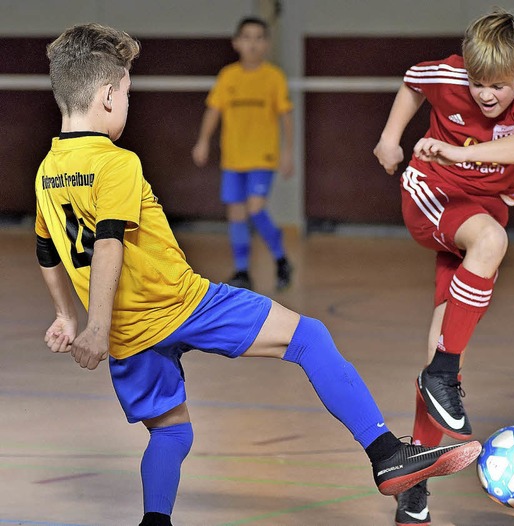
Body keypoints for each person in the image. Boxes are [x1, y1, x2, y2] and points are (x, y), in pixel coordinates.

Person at [35, 23, 481, 526]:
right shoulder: (116, 163)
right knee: (309, 338)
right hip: (180, 305)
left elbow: (47, 248)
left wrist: (66, 317)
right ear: (109, 96)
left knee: (171, 433)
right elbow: (110, 243)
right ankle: (386, 455)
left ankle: (154, 522)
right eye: (129, 93)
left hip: (126, 335)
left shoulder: (48, 169)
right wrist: (89, 325)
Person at [373, 7, 514, 526]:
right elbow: (412, 82)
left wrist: (460, 153)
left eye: (498, 85)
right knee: (492, 241)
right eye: (478, 83)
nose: (485, 94)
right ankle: (444, 375)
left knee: (441, 341)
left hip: (481, 208)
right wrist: (391, 138)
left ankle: (414, 484)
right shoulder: (448, 72)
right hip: (431, 194)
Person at [192, 16, 294, 292]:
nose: (252, 43)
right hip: (233, 159)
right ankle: (242, 270)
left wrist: (288, 152)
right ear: (236, 43)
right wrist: (203, 141)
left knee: (255, 208)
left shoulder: (274, 77)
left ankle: (281, 257)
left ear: (266, 44)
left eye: (259, 37)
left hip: (262, 157)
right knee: (236, 214)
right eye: (247, 37)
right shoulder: (228, 76)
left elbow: (286, 117)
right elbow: (213, 111)